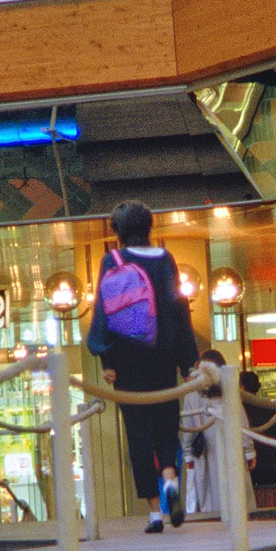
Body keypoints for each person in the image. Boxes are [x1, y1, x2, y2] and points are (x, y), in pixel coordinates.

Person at [86, 200, 198, 533]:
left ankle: (154, 513)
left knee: (138, 434)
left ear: (117, 231)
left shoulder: (113, 260)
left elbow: (104, 311)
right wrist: (187, 361)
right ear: (149, 227)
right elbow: (180, 311)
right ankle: (169, 478)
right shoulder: (166, 259)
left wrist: (106, 358)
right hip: (162, 357)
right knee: (166, 425)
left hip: (127, 360)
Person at [181, 346, 227, 517]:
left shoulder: (192, 393)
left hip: (203, 452)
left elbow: (188, 427)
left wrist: (188, 454)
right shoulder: (228, 391)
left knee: (205, 493)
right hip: (229, 449)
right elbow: (241, 424)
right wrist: (248, 451)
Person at [241, 371, 276, 499]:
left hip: (247, 464)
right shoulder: (270, 409)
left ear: (242, 387)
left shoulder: (239, 410)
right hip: (270, 464)